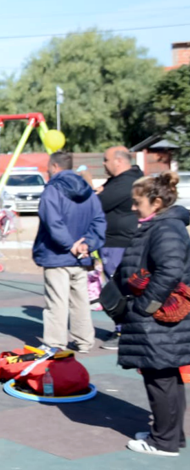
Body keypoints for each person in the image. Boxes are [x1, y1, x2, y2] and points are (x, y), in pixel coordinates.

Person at [108, 172, 190, 457]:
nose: (133, 207)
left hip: (159, 317)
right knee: (166, 375)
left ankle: (164, 442)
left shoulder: (166, 228)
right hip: (159, 315)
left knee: (160, 378)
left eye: (137, 202)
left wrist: (147, 306)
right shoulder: (161, 225)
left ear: (155, 202)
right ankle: (170, 434)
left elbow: (170, 270)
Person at [32, 152, 106, 353]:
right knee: (80, 300)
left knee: (57, 302)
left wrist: (69, 244)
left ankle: (55, 342)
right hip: (80, 256)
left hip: (56, 254)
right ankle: (84, 340)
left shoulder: (52, 190)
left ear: (54, 166)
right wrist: (88, 244)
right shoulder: (88, 191)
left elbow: (52, 221)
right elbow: (99, 220)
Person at [96, 147, 143, 350]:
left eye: (106, 160)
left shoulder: (126, 182)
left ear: (118, 161)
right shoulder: (120, 181)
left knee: (120, 290)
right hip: (115, 243)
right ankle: (123, 328)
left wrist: (99, 192)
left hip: (119, 244)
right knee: (120, 288)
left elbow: (99, 202)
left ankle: (124, 331)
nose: (104, 164)